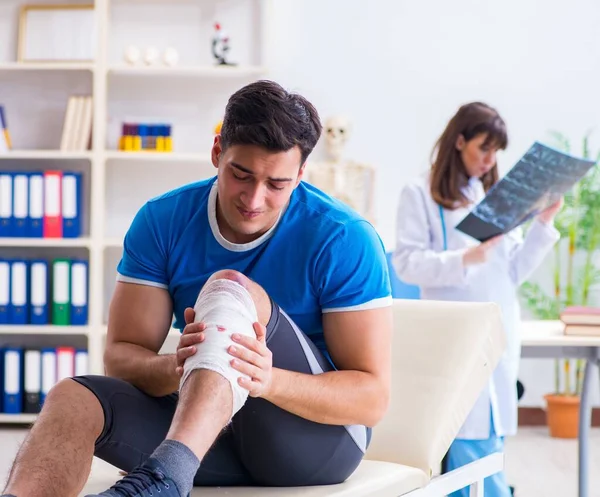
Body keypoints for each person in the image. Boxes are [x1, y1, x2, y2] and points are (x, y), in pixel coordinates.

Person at [2, 81, 393, 497]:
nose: (254, 199)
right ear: (216, 153)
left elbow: (371, 399)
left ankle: (165, 478)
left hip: (310, 444)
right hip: (207, 437)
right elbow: (121, 356)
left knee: (229, 287)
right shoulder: (162, 220)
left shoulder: (343, 237)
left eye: (277, 184)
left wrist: (267, 380)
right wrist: (179, 365)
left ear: (299, 176)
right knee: (72, 397)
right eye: (240, 174)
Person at [392, 102, 562, 497]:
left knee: (489, 440)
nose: (490, 160)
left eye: (497, 152)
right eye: (483, 148)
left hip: (498, 334)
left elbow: (513, 272)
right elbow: (406, 264)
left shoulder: (496, 198)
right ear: (459, 140)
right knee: (463, 448)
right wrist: (466, 258)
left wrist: (544, 221)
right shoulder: (419, 193)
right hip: (452, 337)